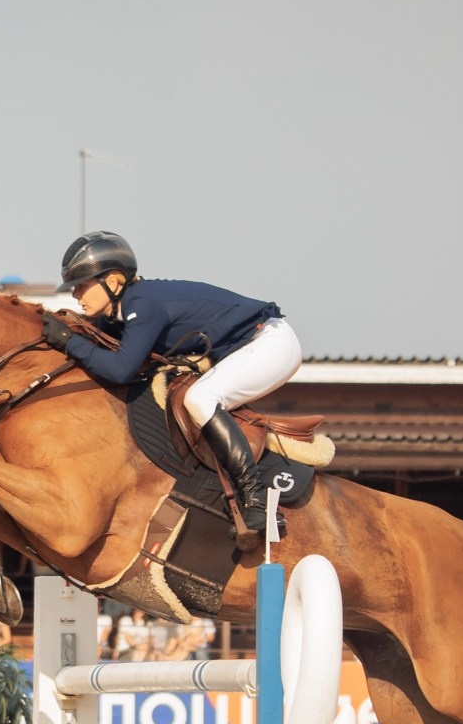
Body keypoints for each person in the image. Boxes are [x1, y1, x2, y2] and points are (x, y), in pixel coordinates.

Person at [42, 231, 301, 550]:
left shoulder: (142, 304)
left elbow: (121, 369)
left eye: (82, 285)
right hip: (244, 349)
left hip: (271, 344)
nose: (76, 295)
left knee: (201, 398)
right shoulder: (119, 313)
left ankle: (256, 499)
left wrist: (69, 342)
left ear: (112, 282)